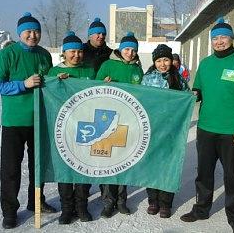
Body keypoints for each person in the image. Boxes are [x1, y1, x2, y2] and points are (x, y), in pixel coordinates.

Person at [179, 18, 234, 233]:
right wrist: (182, 98)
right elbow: (198, 93)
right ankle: (201, 209)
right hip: (206, 129)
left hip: (232, 133)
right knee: (204, 173)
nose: (219, 41)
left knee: (233, 178)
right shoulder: (205, 64)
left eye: (223, 36)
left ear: (231, 38)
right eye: (215, 38)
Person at [0, 12, 56, 229]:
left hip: (39, 120)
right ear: (20, 33)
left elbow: (49, 82)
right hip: (14, 122)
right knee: (11, 170)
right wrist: (23, 84)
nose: (33, 35)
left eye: (36, 31)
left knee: (38, 166)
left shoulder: (45, 55)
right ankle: (9, 211)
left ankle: (35, 201)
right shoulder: (7, 55)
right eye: (28, 31)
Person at [48, 31, 95, 224]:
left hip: (85, 126)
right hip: (64, 127)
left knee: (84, 167)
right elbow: (48, 96)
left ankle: (81, 206)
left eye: (80, 52)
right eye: (72, 52)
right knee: (66, 167)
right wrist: (55, 83)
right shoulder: (53, 72)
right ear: (64, 53)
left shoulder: (89, 71)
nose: (76, 55)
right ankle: (67, 208)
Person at [96, 32, 144, 218]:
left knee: (124, 162)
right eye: (127, 49)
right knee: (109, 163)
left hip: (128, 121)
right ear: (120, 49)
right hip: (108, 121)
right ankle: (108, 202)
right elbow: (93, 88)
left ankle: (122, 201)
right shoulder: (108, 65)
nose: (130, 53)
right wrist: (102, 82)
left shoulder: (137, 69)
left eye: (133, 50)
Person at [141, 44, 190, 218]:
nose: (163, 64)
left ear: (171, 61)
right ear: (154, 62)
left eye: (166, 60)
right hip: (153, 129)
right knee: (152, 166)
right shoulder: (147, 79)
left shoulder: (179, 79)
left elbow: (186, 101)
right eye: (159, 60)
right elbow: (141, 101)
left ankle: (165, 203)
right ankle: (153, 201)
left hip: (172, 131)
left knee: (168, 166)